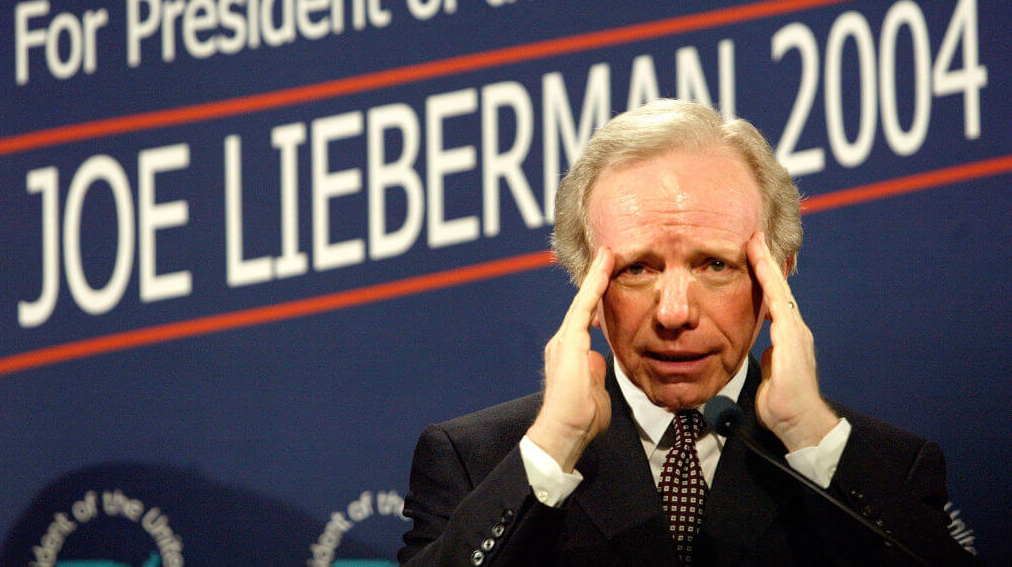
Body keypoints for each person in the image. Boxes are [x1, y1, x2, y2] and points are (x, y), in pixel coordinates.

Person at [398, 99, 975, 565]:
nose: (674, 313)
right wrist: (552, 448)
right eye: (637, 269)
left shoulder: (884, 470)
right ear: (587, 288)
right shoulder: (478, 460)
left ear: (779, 273)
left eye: (714, 265)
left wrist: (809, 435)